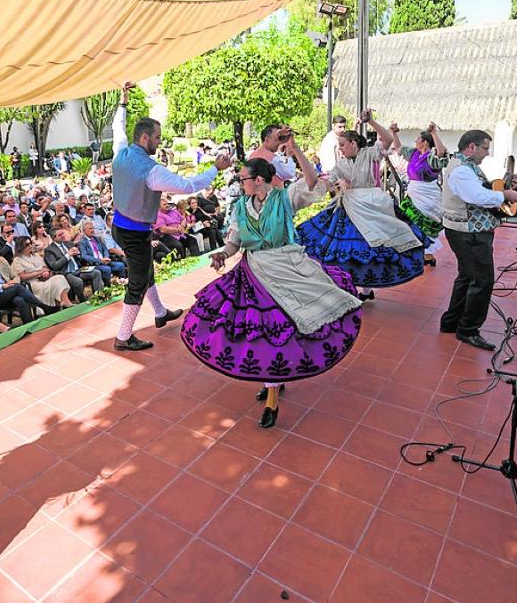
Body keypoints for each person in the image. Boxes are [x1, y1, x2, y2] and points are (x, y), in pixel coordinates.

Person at [182, 154, 361, 428]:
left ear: (258, 180)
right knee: (261, 332)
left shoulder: (284, 198)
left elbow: (312, 182)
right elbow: (235, 241)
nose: (239, 184)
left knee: (282, 329)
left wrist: (295, 148)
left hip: (287, 267)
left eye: (243, 179)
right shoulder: (240, 207)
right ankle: (272, 388)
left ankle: (273, 394)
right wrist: (223, 255)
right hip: (254, 270)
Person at [111, 81, 231, 352]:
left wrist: (123, 102)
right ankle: (123, 336)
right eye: (156, 138)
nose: (158, 142)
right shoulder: (150, 170)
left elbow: (117, 127)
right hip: (134, 231)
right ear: (144, 138)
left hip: (120, 226)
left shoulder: (120, 151)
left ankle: (160, 312)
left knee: (145, 271)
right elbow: (188, 187)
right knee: (138, 281)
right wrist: (215, 168)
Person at [298, 109, 426, 298]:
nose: (340, 149)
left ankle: (365, 288)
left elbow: (387, 140)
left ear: (353, 143)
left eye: (342, 145)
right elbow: (330, 178)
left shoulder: (369, 154)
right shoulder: (341, 164)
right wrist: (319, 182)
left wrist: (371, 122)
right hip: (350, 206)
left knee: (371, 245)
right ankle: (355, 287)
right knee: (351, 248)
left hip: (371, 204)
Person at [438, 129, 517, 350]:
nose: (487, 153)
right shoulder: (462, 170)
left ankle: (451, 322)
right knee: (482, 280)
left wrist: (502, 186)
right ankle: (468, 330)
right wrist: (505, 195)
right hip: (469, 233)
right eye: (485, 148)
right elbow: (477, 196)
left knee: (467, 276)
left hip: (465, 231)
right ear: (471, 147)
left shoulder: (462, 166)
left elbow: (480, 189)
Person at [396, 122, 448, 263]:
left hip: (428, 194)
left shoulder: (431, 158)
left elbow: (441, 153)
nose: (415, 141)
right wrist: (394, 132)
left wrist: (434, 133)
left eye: (418, 139)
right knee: (410, 220)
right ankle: (415, 249)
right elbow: (398, 148)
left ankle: (428, 253)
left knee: (425, 222)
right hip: (413, 193)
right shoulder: (414, 154)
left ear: (425, 143)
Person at [11, 236, 74, 310]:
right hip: (32, 283)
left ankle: (65, 301)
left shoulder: (36, 255)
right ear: (21, 247)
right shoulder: (17, 260)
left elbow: (45, 268)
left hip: (43, 279)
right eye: (27, 245)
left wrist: (46, 272)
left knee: (60, 277)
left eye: (30, 243)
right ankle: (56, 307)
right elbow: (22, 276)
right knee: (54, 284)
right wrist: (39, 273)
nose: (30, 246)